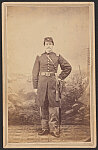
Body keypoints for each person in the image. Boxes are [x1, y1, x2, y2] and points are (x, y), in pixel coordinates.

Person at [32, 37, 72, 137]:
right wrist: (35, 87)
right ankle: (44, 128)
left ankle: (54, 129)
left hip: (53, 85)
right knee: (43, 106)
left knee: (53, 107)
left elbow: (68, 67)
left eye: (50, 44)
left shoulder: (57, 56)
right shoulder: (39, 57)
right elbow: (34, 73)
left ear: (53, 45)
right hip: (41, 84)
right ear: (44, 45)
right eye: (46, 44)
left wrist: (60, 77)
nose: (48, 46)